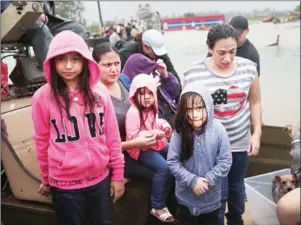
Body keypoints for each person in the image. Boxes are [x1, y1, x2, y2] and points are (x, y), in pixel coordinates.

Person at [32, 31, 124, 225]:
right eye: (61, 59)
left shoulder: (100, 92)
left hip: (100, 181)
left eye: (75, 59)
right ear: (51, 62)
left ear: (85, 61)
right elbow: (41, 141)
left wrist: (118, 175)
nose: (68, 66)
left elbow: (112, 136)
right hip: (65, 188)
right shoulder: (42, 98)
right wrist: (46, 178)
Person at [184, 24, 262, 225]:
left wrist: (257, 133)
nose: (227, 58)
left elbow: (255, 101)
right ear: (210, 48)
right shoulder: (193, 74)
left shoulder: (248, 69)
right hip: (210, 147)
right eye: (221, 53)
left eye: (232, 52)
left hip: (239, 142)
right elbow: (186, 113)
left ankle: (236, 220)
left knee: (236, 188)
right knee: (216, 192)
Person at [167, 83, 232, 225]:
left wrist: (208, 180)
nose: (194, 114)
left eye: (199, 108)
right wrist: (192, 181)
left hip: (211, 202)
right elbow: (172, 162)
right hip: (184, 201)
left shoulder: (219, 130)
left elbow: (225, 162)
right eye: (188, 109)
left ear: (208, 106)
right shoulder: (179, 132)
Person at [92, 42, 155, 181]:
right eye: (108, 65)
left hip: (139, 142)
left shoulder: (124, 80)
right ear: (95, 66)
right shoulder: (94, 96)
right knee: (155, 173)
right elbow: (99, 145)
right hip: (118, 153)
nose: (114, 69)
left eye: (117, 63)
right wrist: (135, 143)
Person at [125, 74, 174, 223]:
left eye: (149, 93)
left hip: (154, 143)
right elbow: (133, 137)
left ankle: (172, 196)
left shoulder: (151, 109)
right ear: (134, 94)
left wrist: (163, 126)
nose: (146, 97)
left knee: (174, 153)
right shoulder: (133, 113)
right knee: (163, 167)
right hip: (141, 149)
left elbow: (155, 122)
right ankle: (157, 206)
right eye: (141, 93)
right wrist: (153, 133)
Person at [1, 1, 87, 69]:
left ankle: (75, 69)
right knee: (41, 29)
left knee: (77, 29)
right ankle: (54, 76)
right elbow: (4, 5)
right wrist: (32, 12)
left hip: (44, 20)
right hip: (13, 22)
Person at [122, 53, 180, 128]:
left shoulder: (153, 78)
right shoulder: (132, 94)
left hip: (172, 114)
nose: (150, 73)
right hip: (161, 125)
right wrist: (150, 92)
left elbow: (174, 92)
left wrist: (165, 75)